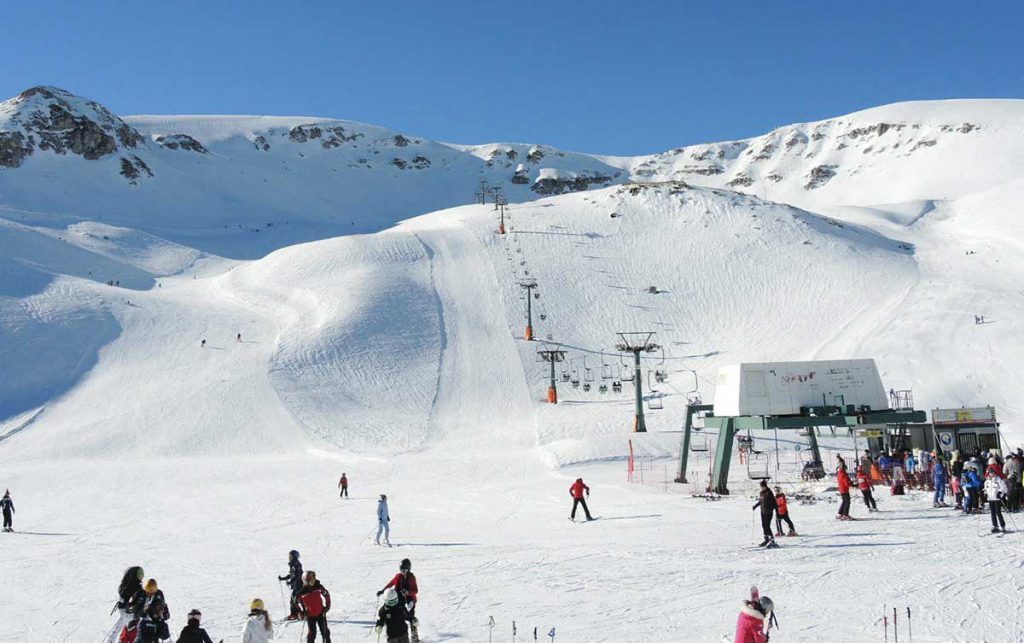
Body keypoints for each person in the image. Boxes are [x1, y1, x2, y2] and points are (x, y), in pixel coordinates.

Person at [378, 559, 419, 642]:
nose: (403, 571)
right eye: (401, 570)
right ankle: (395, 630)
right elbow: (391, 583)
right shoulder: (398, 576)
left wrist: (408, 592)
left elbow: (415, 590)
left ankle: (414, 634)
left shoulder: (412, 578)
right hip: (399, 599)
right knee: (397, 613)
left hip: (410, 599)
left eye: (405, 570)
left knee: (410, 616)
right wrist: (383, 590)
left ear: (409, 569)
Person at [107, 566, 145, 642]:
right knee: (135, 629)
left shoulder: (126, 585)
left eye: (142, 575)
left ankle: (111, 640)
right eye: (140, 575)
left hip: (123, 610)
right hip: (130, 612)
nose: (142, 577)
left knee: (121, 626)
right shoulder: (136, 587)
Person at [297, 570, 332, 643]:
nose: (313, 581)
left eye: (313, 578)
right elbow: (296, 602)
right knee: (312, 634)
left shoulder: (318, 587)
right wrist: (301, 612)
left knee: (325, 632)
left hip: (320, 613)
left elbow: (326, 594)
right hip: (310, 616)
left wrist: (327, 606)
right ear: (305, 581)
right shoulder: (302, 592)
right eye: (310, 580)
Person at [278, 550, 304, 620]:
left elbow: (297, 576)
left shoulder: (296, 564)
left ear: (294, 557)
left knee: (295, 600)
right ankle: (298, 614)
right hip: (297, 585)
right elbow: (292, 575)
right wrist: (283, 578)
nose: (289, 558)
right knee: (296, 600)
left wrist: (290, 583)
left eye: (290, 556)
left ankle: (297, 614)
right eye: (289, 556)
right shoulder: (294, 564)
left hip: (299, 585)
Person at [751, 480, 777, 547]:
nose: (762, 488)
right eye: (761, 486)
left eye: (763, 486)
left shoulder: (769, 493)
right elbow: (760, 501)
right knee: (763, 526)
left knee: (767, 526)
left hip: (769, 512)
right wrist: (755, 506)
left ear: (765, 486)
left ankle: (772, 540)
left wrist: (776, 510)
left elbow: (774, 503)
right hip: (763, 512)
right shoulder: (761, 493)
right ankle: (766, 539)